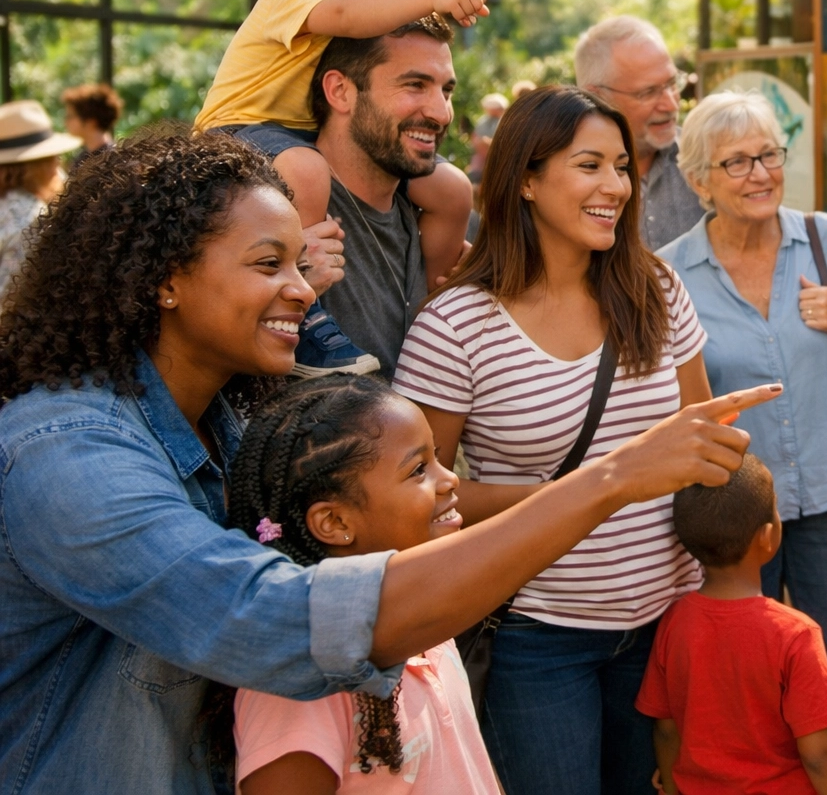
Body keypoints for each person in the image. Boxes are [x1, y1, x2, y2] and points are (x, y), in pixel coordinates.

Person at [0, 130, 780, 794]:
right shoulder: (67, 456)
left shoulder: (231, 417)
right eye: (269, 264)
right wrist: (612, 479)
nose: (302, 291)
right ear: (165, 280)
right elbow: (281, 621)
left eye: (301, 264)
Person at [391, 85, 712, 795]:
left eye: (623, 166)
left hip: (667, 625)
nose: (615, 186)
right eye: (590, 165)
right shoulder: (456, 327)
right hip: (536, 637)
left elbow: (704, 440)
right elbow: (417, 499)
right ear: (528, 180)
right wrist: (576, 495)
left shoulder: (656, 290)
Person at [658, 91, 827, 795]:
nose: (760, 173)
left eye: (769, 155)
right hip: (730, 514)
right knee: (743, 692)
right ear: (700, 179)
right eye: (737, 162)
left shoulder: (824, 240)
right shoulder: (670, 272)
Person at [194, 0, 499, 373]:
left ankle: (443, 316)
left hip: (291, 134)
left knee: (449, 190)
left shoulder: (355, 7)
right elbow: (348, 19)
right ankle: (310, 317)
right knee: (309, 169)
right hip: (236, 134)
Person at [225, 375, 497, 795]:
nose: (450, 480)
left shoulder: (421, 621)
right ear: (334, 522)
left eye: (440, 459)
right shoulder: (296, 690)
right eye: (419, 470)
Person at [239, 16, 450, 378]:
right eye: (415, 85)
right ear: (340, 91)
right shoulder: (268, 211)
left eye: (447, 91)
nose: (441, 112)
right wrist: (283, 277)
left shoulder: (436, 216)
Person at [638, 454, 827, 795]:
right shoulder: (795, 634)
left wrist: (671, 783)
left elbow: (666, 730)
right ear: (767, 536)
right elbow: (820, 754)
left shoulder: (674, 621)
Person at [574, 16, 702, 249]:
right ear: (597, 96)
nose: (671, 104)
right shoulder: (561, 178)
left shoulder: (706, 159)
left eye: (672, 84)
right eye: (648, 92)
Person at [0, 99, 77, 296]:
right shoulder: (29, 217)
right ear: (38, 164)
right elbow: (10, 299)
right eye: (53, 156)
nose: (58, 161)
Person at [61, 82, 121, 166]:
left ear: (91, 122)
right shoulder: (81, 160)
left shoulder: (115, 160)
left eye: (70, 116)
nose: (66, 121)